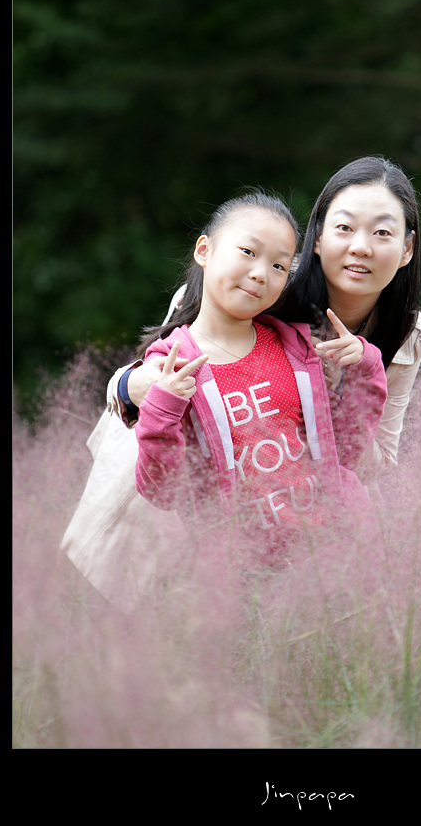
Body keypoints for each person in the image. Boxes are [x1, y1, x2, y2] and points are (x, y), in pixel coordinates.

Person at [118, 158, 421, 489]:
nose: (360, 247)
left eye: (382, 233)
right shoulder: (264, 285)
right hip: (158, 455)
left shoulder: (411, 332)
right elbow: (149, 372)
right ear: (317, 237)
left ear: (406, 248)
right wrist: (130, 386)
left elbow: (378, 460)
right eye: (344, 228)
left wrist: (343, 393)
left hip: (295, 496)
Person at [132, 191, 387, 565]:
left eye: (279, 266)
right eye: (248, 252)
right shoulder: (172, 364)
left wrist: (366, 366)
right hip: (245, 573)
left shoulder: (298, 348)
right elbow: (163, 491)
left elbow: (346, 448)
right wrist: (161, 409)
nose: (260, 274)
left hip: (339, 555)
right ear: (204, 250)